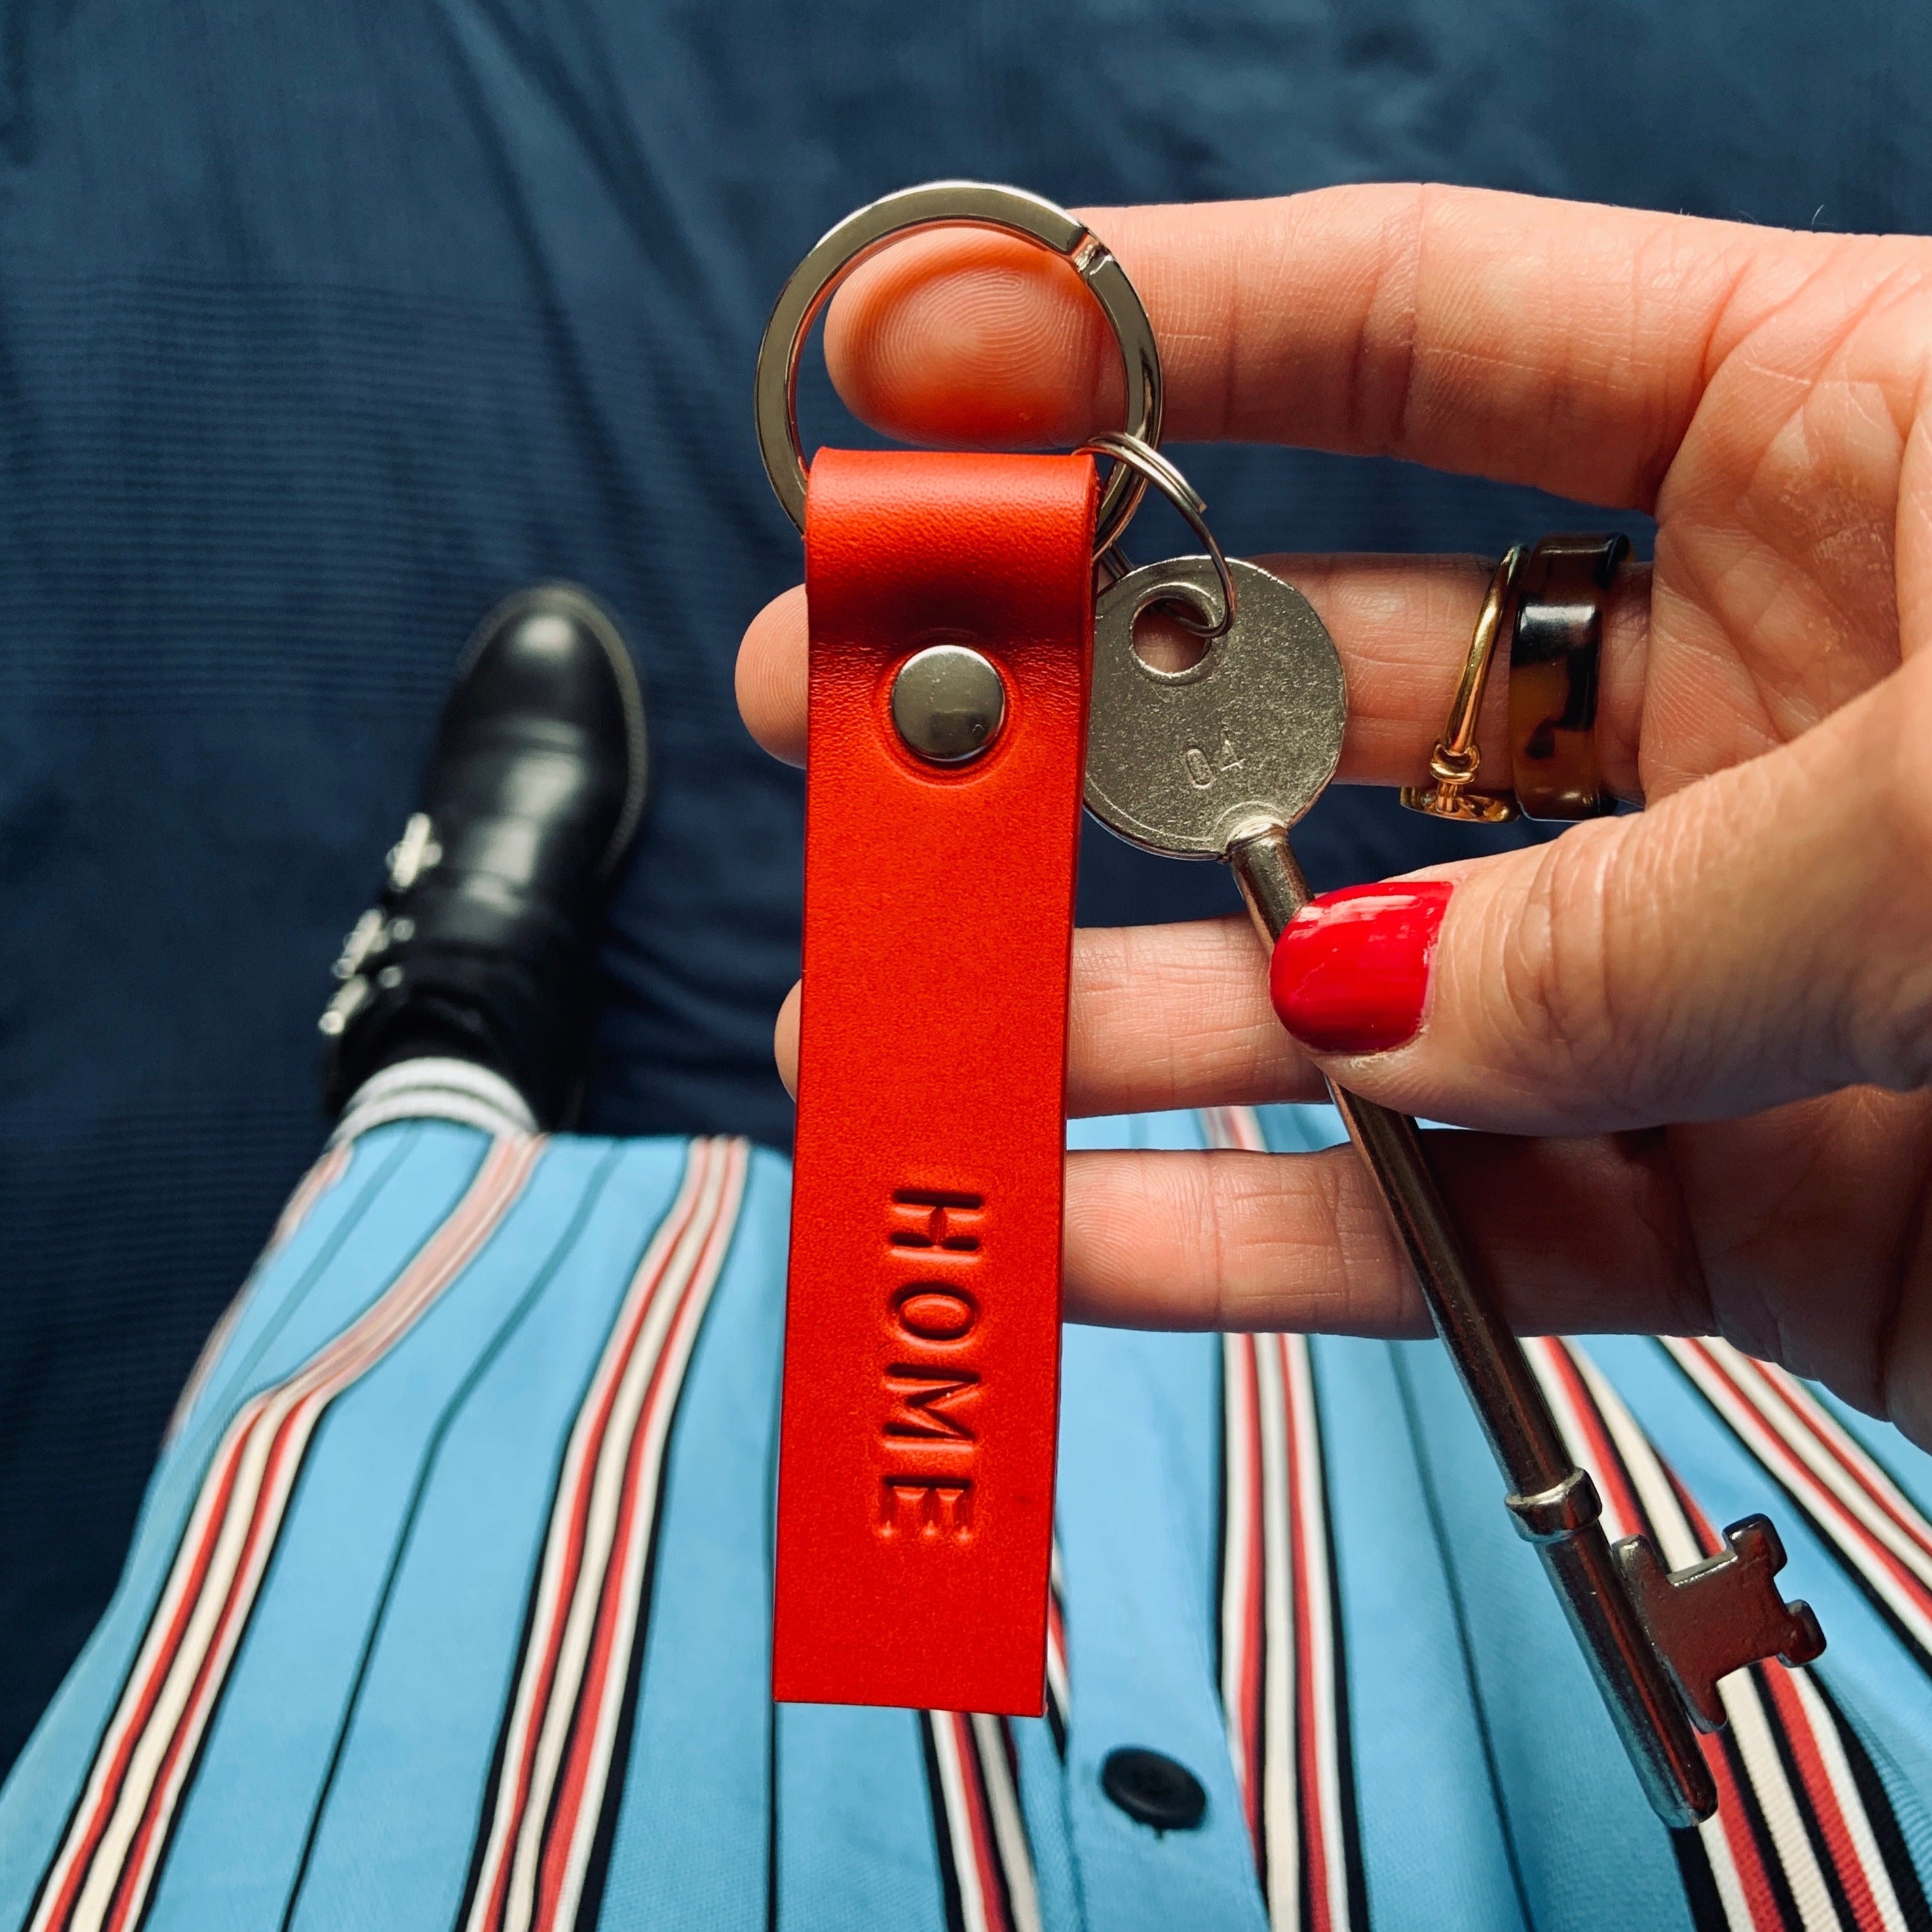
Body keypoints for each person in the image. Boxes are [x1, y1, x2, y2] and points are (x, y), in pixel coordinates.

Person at [6, 187, 1932, 1932]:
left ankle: (442, 1074)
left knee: (414, 1331)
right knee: (1432, 1155)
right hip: (1671, 1340)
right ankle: (446, 1060)